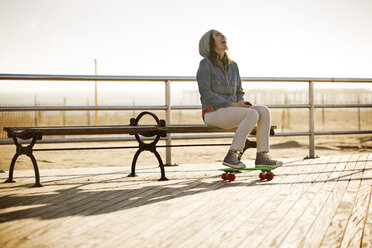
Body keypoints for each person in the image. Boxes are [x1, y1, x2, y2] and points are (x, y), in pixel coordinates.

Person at [196, 29, 283, 169]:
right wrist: (233, 104)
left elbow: (239, 91)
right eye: (217, 35)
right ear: (210, 43)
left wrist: (241, 103)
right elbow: (207, 94)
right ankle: (232, 154)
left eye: (223, 34)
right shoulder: (205, 64)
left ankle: (262, 155)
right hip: (212, 113)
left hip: (232, 111)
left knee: (264, 111)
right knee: (252, 113)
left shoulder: (233, 66)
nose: (223, 36)